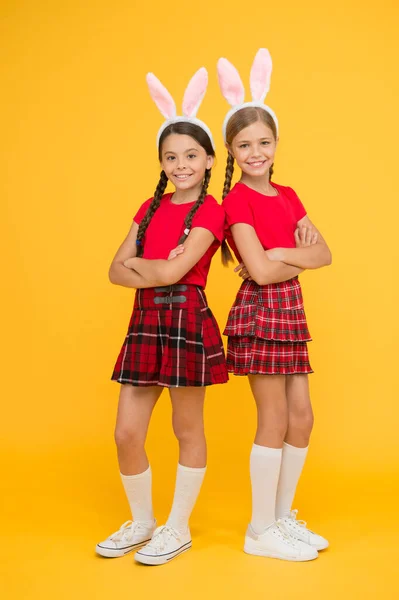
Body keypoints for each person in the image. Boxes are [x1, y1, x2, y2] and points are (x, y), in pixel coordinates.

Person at [96, 68, 228, 566]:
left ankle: (177, 527)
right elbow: (114, 270)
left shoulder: (212, 210)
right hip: (144, 321)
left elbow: (177, 269)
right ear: (161, 162)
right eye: (170, 157)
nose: (180, 164)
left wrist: (146, 266)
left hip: (186, 320)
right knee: (126, 432)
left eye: (191, 155)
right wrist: (157, 269)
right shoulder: (147, 208)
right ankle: (143, 521)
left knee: (186, 428)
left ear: (209, 159)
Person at [218, 48, 332, 561]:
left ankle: (282, 518)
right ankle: (260, 530)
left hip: (291, 310)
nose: (256, 152)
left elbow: (324, 254)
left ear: (276, 144)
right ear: (232, 152)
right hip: (262, 313)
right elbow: (259, 273)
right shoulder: (235, 201)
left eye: (264, 142)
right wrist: (292, 256)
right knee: (274, 418)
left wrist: (283, 251)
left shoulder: (287, 195)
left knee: (301, 417)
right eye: (245, 145)